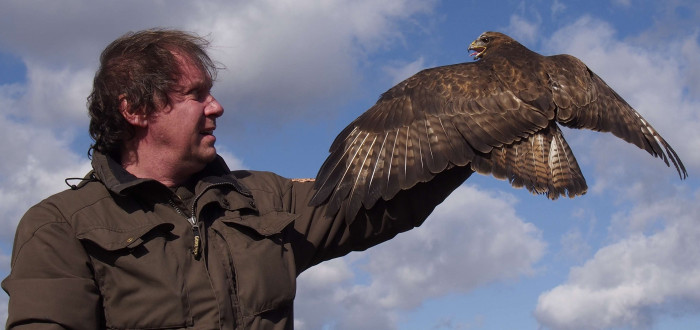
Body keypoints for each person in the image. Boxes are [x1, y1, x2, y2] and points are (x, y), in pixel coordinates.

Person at [2, 29, 471, 329]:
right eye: (195, 94)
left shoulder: (266, 199)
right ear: (136, 109)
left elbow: (379, 199)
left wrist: (485, 135)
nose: (216, 106)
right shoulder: (60, 226)